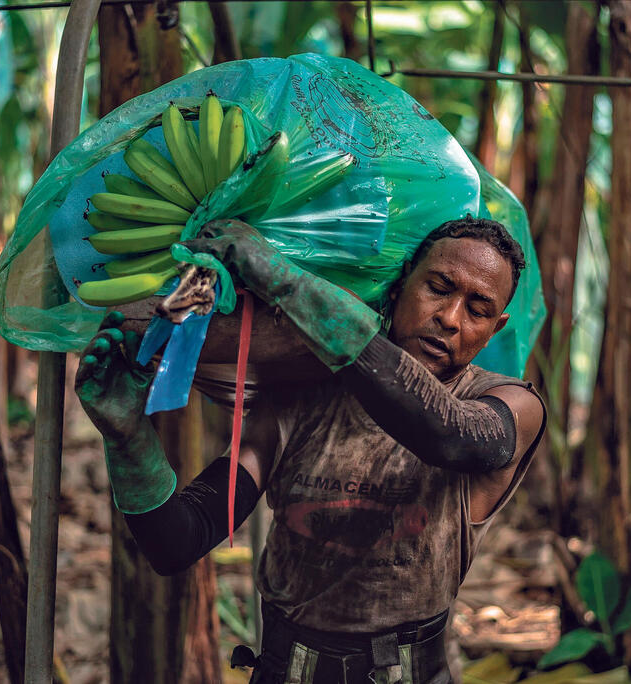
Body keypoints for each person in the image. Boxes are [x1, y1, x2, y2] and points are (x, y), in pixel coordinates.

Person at [75, 216, 547, 683]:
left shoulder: (511, 406)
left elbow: (451, 435)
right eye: (439, 287)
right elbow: (176, 542)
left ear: (496, 327)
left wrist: (284, 281)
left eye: (478, 310)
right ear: (402, 283)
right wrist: (128, 439)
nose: (450, 318)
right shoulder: (302, 396)